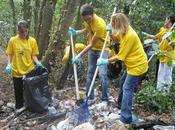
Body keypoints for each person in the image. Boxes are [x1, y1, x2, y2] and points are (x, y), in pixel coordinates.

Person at [97, 13, 148, 127]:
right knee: (123, 83)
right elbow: (116, 38)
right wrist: (110, 33)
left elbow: (121, 56)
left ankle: (126, 117)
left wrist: (105, 60)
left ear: (120, 24)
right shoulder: (124, 31)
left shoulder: (130, 35)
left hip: (138, 66)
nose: (114, 27)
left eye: (114, 25)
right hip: (132, 65)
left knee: (127, 88)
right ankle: (122, 106)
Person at [68, 3, 110, 107]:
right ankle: (90, 97)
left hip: (102, 49)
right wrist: (76, 32)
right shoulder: (87, 20)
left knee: (102, 74)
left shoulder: (100, 24)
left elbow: (91, 44)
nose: (87, 21)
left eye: (88, 19)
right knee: (90, 73)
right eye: (85, 20)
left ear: (93, 14)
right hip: (93, 50)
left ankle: (105, 99)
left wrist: (79, 55)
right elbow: (87, 29)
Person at [6, 20, 43, 111]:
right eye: (21, 32)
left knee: (29, 91)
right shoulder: (13, 40)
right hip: (17, 70)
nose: (24, 34)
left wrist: (37, 62)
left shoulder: (32, 41)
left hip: (29, 70)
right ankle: (19, 108)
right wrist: (9, 64)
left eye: (25, 31)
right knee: (18, 92)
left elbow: (33, 55)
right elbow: (10, 53)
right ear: (18, 31)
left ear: (27, 30)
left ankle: (29, 107)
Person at [154, 14, 175, 91]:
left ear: (170, 22)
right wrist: (144, 35)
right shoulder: (163, 30)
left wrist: (168, 37)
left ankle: (166, 94)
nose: (165, 21)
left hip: (169, 57)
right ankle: (159, 92)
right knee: (160, 74)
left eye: (166, 20)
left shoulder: (173, 33)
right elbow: (155, 37)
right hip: (162, 55)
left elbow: (173, 45)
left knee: (167, 75)